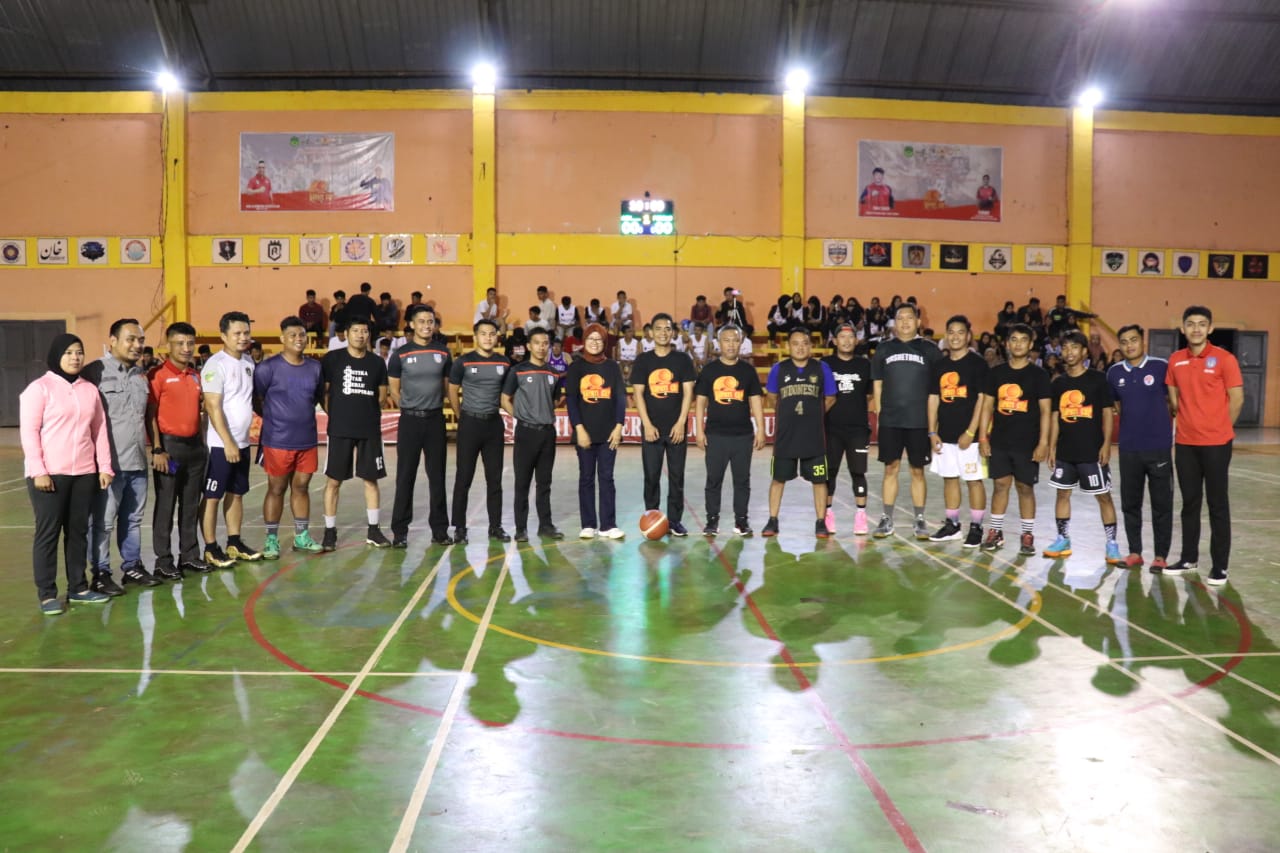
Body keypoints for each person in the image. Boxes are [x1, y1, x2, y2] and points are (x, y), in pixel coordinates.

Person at [20, 334, 115, 614]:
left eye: (79, 352)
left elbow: (99, 430)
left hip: (84, 473)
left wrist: (104, 466)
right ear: (57, 355)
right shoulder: (39, 389)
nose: (75, 357)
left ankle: (78, 588)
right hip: (49, 474)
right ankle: (47, 594)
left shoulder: (89, 390)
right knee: (48, 533)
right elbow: (29, 433)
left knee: (78, 533)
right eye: (69, 352)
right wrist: (39, 470)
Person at [1163, 305, 1245, 585]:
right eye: (1190, 324)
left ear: (1210, 328)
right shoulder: (1175, 360)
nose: (1196, 329)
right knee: (1189, 503)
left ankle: (1220, 566)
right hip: (1185, 443)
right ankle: (1189, 559)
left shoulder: (1225, 359)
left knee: (1217, 504)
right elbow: (1173, 399)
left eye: (1201, 324)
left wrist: (1222, 429)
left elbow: (1237, 399)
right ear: (1182, 328)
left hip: (1216, 444)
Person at [82, 318, 159, 594]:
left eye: (141, 340)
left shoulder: (140, 375)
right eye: (131, 339)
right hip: (109, 465)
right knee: (103, 522)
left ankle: (132, 566)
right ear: (113, 341)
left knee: (133, 520)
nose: (137, 345)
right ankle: (101, 572)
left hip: (137, 462)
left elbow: (146, 417)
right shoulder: (94, 372)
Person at [1040, 331, 1121, 564]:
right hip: (1066, 452)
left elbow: (1107, 413)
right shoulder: (1059, 383)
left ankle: (1112, 544)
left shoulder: (1097, 379)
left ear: (1085, 352)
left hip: (1092, 452)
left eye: (1074, 347)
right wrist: (1052, 447)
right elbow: (1055, 417)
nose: (1069, 352)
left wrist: (1106, 444)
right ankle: (1063, 539)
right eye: (1065, 348)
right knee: (1062, 494)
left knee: (1103, 497)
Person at [254, 316, 326, 559]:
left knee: (302, 487)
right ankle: (271, 540)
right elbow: (257, 400)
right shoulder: (267, 368)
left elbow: (317, 398)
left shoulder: (315, 367)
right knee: (276, 488)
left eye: (302, 335)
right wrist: (275, 419)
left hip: (307, 439)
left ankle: (301, 536)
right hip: (277, 441)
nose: (298, 339)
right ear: (282, 338)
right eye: (293, 335)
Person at [871, 303, 944, 539]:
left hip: (919, 422)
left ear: (918, 322)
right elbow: (878, 385)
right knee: (890, 468)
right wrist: (881, 415)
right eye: (900, 318)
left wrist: (933, 426)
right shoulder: (884, 348)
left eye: (909, 318)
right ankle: (887, 518)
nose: (904, 322)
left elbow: (935, 392)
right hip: (891, 420)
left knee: (917, 471)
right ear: (894, 323)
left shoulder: (930, 350)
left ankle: (920, 519)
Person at [978, 324, 1052, 555]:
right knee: (1000, 485)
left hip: (1027, 443)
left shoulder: (1039, 375)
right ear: (1007, 343)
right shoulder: (996, 373)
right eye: (1014, 339)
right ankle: (995, 531)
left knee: (1025, 488)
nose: (1018, 344)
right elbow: (987, 406)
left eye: (1023, 340)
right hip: (1000, 441)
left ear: (1031, 344)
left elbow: (1046, 411)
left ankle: (1027, 535)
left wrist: (1043, 442)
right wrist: (983, 437)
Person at [319, 316, 392, 550]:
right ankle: (330, 532)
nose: (361, 335)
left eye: (364, 331)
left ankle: (374, 530)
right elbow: (324, 393)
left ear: (369, 335)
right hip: (340, 430)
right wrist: (337, 414)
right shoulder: (332, 359)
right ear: (347, 334)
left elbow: (382, 396)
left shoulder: (377, 363)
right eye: (356, 331)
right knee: (334, 481)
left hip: (369, 430)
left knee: (371, 480)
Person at [1106, 324, 1173, 572]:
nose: (1129, 345)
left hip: (1158, 448)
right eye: (1124, 342)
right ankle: (1135, 552)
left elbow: (1172, 400)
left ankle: (1160, 556)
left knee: (1161, 504)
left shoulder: (1160, 367)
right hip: (1129, 448)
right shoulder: (1114, 373)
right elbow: (1117, 405)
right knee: (1130, 503)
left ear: (1142, 341)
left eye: (1133, 340)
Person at [388, 305, 454, 548]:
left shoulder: (443, 352)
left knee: (437, 477)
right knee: (405, 476)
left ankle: (440, 530)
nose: (427, 325)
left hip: (435, 420)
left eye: (430, 321)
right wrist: (409, 407)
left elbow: (446, 387)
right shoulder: (400, 354)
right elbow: (394, 389)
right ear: (412, 325)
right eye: (422, 321)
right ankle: (400, 532)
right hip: (410, 422)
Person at [762, 328, 837, 538]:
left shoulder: (821, 368)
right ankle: (772, 520)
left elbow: (830, 398)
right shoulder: (779, 369)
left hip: (814, 436)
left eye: (804, 343)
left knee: (819, 480)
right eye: (795, 343)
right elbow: (772, 397)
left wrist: (814, 415)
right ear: (788, 346)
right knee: (778, 478)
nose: (800, 347)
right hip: (786, 436)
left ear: (810, 346)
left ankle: (820, 522)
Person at [148, 322, 208, 580]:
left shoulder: (195, 375)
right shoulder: (158, 375)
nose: (186, 348)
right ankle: (163, 560)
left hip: (195, 448)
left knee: (191, 504)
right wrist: (157, 449)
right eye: (180, 343)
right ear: (168, 344)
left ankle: (189, 556)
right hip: (169, 449)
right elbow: (150, 415)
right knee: (166, 504)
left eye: (190, 343)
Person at [694, 326, 765, 536]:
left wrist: (761, 429)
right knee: (713, 480)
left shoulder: (748, 371)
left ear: (740, 343)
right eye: (726, 340)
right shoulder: (709, 370)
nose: (731, 345)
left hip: (743, 436)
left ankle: (741, 521)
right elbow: (700, 402)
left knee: (742, 481)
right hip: (715, 435)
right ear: (719, 343)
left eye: (735, 340)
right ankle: (712, 521)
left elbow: (756, 402)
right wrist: (699, 430)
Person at [631, 312, 697, 538]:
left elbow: (688, 393)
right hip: (652, 429)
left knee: (677, 477)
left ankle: (675, 521)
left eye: (667, 329)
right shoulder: (643, 361)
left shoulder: (682, 360)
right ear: (650, 332)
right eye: (658, 328)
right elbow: (638, 395)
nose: (662, 333)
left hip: (676, 429)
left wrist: (681, 422)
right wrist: (647, 424)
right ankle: (652, 518)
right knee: (651, 476)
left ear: (673, 333)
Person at [926, 316, 989, 547]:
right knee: (949, 479)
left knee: (974, 481)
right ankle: (952, 525)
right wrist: (932, 432)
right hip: (945, 435)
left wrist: (971, 432)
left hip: (970, 438)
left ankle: (976, 527)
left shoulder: (978, 364)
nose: (955, 337)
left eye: (960, 332)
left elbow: (982, 400)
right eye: (951, 332)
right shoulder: (939, 366)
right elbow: (933, 399)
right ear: (945, 335)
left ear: (968, 336)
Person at [449, 318, 512, 544]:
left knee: (494, 479)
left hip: (493, 425)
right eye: (483, 334)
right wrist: (461, 416)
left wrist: (519, 414)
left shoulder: (504, 363)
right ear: (476, 337)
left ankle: (495, 526)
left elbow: (506, 396)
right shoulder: (463, 362)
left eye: (492, 334)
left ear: (497, 337)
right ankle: (460, 528)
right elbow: (452, 390)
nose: (488, 338)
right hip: (470, 424)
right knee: (463, 478)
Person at [501, 328, 564, 542]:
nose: (541, 347)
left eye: (545, 343)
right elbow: (504, 399)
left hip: (547, 433)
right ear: (529, 346)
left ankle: (545, 526)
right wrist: (521, 416)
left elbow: (555, 401)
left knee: (544, 483)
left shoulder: (554, 373)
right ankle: (521, 529)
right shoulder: (517, 371)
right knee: (522, 483)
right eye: (537, 343)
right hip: (526, 433)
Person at [565, 324, 626, 540]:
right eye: (590, 339)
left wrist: (619, 426)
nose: (594, 343)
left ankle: (608, 525)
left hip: (609, 433)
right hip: (585, 433)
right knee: (586, 478)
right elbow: (571, 400)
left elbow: (620, 398)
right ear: (584, 342)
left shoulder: (612, 367)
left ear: (604, 343)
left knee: (607, 478)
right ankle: (588, 524)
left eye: (598, 339)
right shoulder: (576, 367)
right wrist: (579, 428)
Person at [823, 324, 873, 535]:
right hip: (831, 429)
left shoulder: (865, 364)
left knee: (858, 472)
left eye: (850, 337)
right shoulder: (825, 364)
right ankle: (827, 514)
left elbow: (869, 395)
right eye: (841, 337)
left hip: (858, 430)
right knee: (829, 472)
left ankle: (861, 516)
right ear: (834, 341)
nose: (846, 341)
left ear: (856, 340)